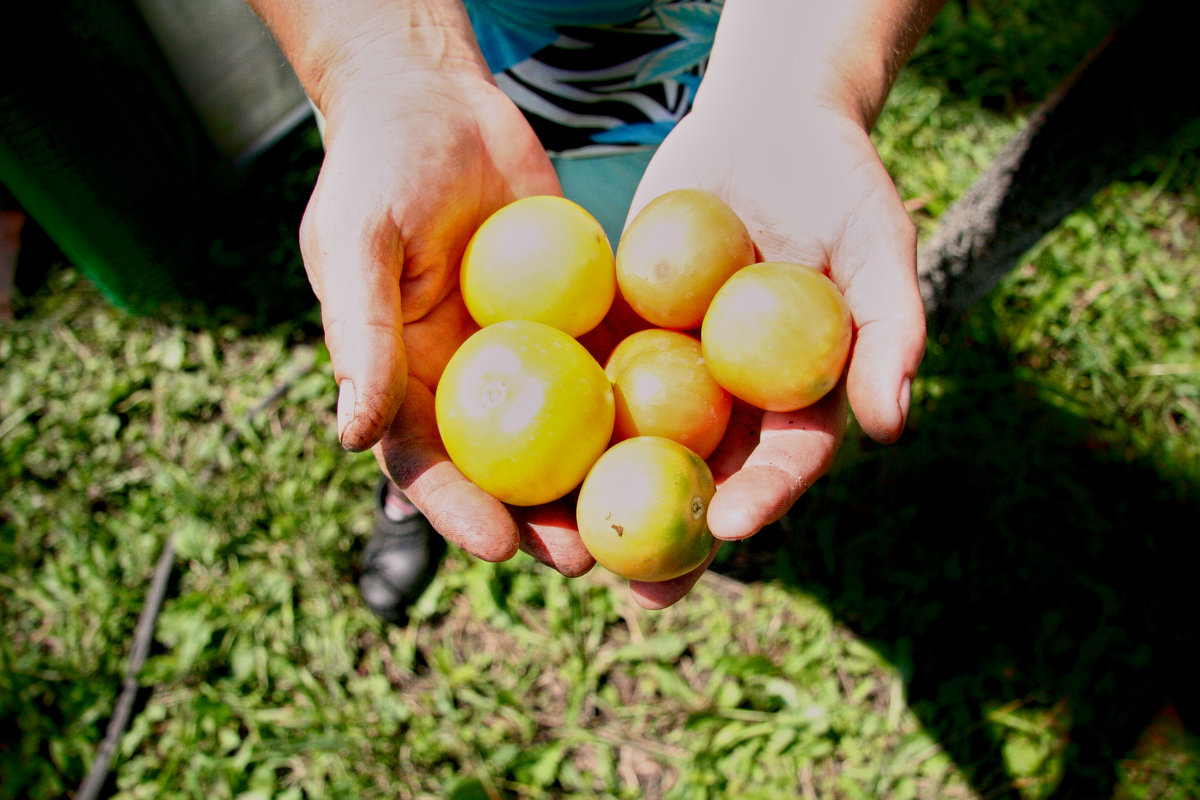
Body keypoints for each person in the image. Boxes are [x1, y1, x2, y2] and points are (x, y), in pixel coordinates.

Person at [244, 0, 937, 617]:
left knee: (636, 272)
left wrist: (800, 81)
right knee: (426, 329)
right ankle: (414, 496)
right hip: (452, 66)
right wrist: (382, 66)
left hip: (721, 76)